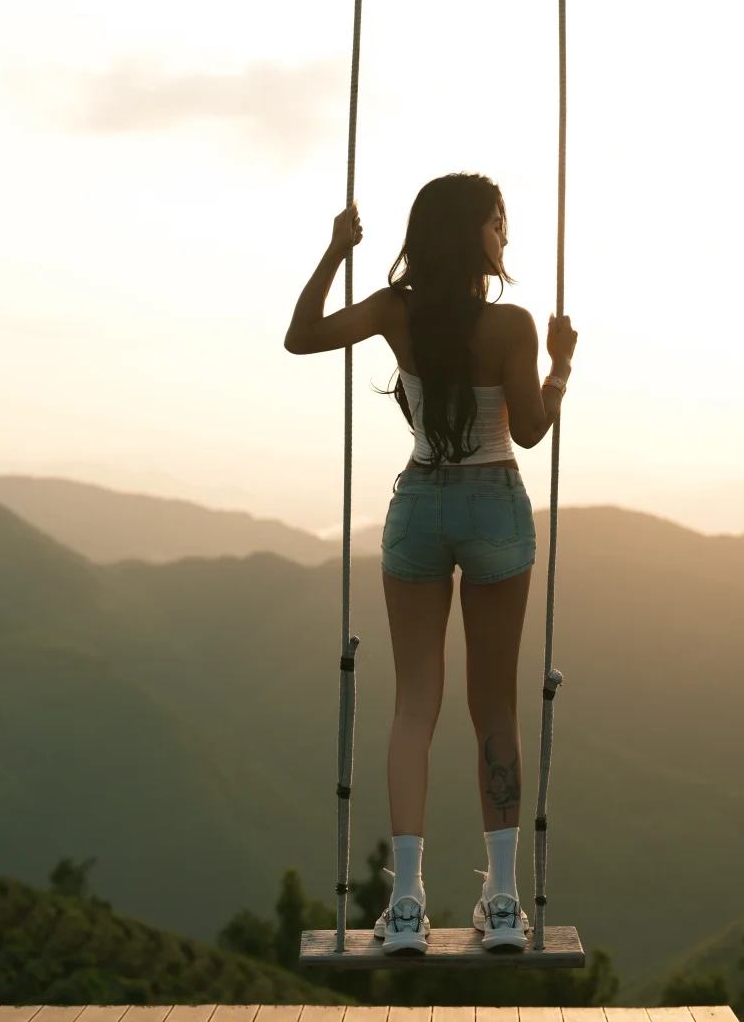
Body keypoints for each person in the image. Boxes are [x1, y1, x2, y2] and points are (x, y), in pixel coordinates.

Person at [285, 171, 578, 955]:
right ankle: (506, 903)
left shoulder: (396, 311)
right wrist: (559, 366)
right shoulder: (513, 326)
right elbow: (530, 433)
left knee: (415, 705)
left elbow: (301, 334)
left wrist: (335, 250)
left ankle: (407, 905)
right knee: (495, 707)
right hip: (494, 509)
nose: (506, 235)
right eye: (498, 221)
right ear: (472, 232)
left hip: (419, 507)